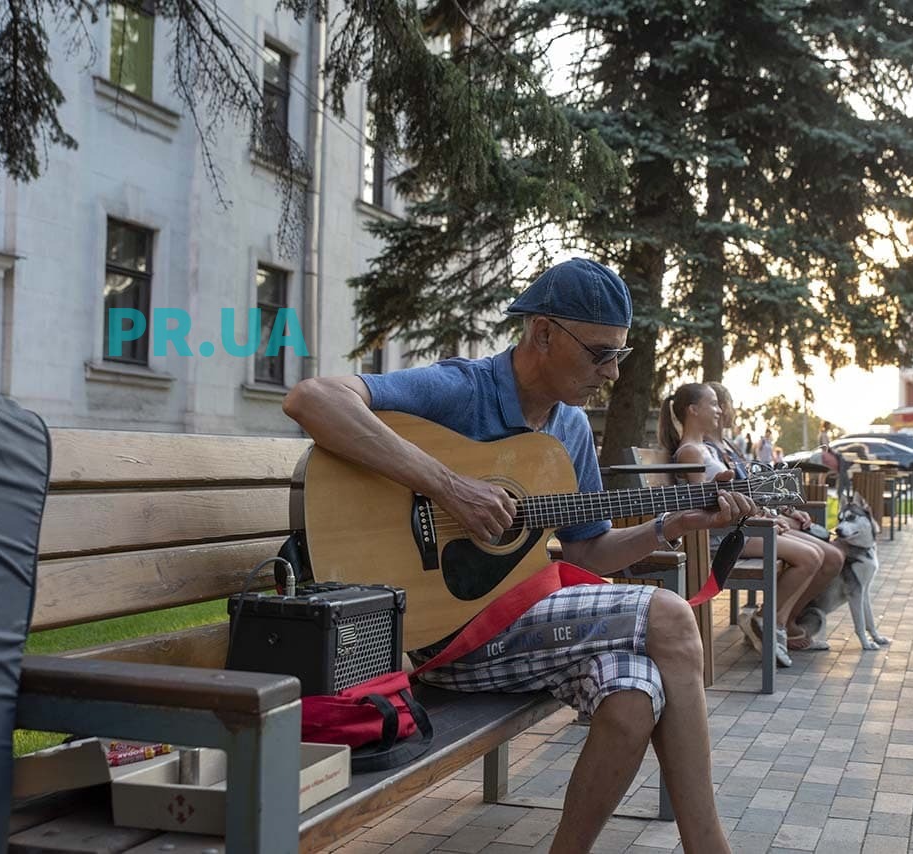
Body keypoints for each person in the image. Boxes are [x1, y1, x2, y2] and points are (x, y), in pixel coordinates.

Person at [282, 258, 753, 854]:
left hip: (524, 628)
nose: (610, 373)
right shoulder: (464, 388)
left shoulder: (572, 429)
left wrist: (670, 523)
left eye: (620, 357)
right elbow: (312, 398)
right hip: (444, 636)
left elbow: (588, 549)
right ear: (544, 333)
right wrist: (448, 486)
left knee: (635, 694)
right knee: (670, 616)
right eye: (599, 353)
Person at [661, 383, 842, 659]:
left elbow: (730, 495)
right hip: (722, 537)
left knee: (819, 553)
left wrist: (769, 514)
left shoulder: (703, 450)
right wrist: (761, 517)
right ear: (693, 410)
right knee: (811, 557)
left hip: (739, 528)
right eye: (713, 404)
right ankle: (772, 622)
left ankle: (771, 622)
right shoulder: (691, 452)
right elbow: (704, 507)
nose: (719, 410)